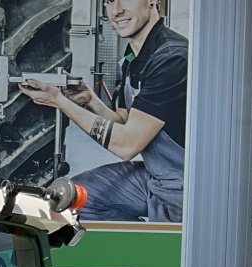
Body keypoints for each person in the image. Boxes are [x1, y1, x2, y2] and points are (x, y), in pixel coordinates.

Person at [20, 0, 189, 222]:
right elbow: (125, 122)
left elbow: (126, 145)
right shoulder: (133, 58)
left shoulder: (172, 58)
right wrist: (90, 100)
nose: (116, 10)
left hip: (185, 185)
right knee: (70, 201)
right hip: (155, 176)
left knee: (169, 247)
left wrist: (59, 101)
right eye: (109, 1)